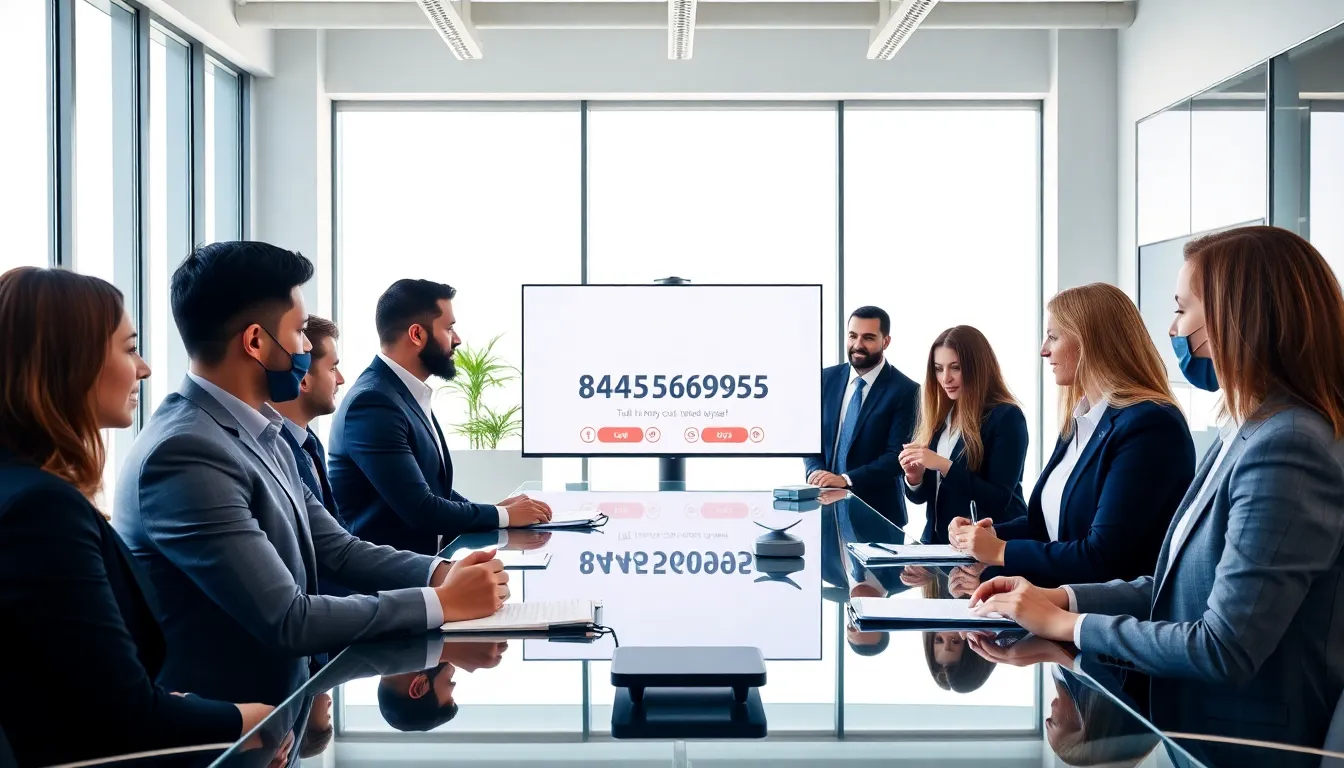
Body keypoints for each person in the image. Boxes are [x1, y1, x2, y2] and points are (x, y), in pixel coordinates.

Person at [970, 226, 1344, 763]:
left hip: (1242, 745)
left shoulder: (1286, 444)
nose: (1172, 328)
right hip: (1193, 728)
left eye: (1182, 309)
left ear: (1234, 319)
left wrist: (1069, 626)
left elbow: (1224, 646)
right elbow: (1176, 591)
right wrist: (1065, 599)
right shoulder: (1244, 432)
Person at [114, 242, 510, 706]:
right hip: (231, 731)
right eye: (300, 332)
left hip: (277, 715)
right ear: (256, 342)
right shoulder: (185, 453)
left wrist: (443, 572)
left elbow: (336, 550)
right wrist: (442, 603)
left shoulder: (262, 432)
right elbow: (287, 618)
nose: (306, 348)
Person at [0, 267, 273, 767]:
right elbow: (123, 717)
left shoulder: (27, 492)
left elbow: (71, 684)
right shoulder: (42, 510)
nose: (144, 368)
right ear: (70, 362)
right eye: (129, 348)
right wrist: (255, 721)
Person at [950, 283, 1195, 587]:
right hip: (1056, 608)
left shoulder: (1150, 426)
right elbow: (1053, 528)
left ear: (1090, 342)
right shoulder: (1081, 420)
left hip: (1104, 622)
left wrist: (1000, 552)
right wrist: (991, 535)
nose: (1044, 350)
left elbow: (1102, 557)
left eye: (1053, 336)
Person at [329, 279, 551, 556]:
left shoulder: (403, 393)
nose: (457, 339)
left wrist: (499, 511)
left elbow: (434, 491)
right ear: (417, 335)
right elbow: (420, 509)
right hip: (387, 585)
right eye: (449, 328)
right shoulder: (373, 403)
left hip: (422, 568)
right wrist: (501, 516)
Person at [898, 325, 1029, 545]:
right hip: (940, 546)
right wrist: (915, 478)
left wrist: (943, 465)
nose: (945, 378)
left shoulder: (1006, 417)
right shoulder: (941, 417)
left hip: (987, 546)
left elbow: (998, 499)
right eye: (939, 369)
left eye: (955, 368)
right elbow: (925, 498)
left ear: (977, 368)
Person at [805, 306, 920, 526]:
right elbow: (811, 436)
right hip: (824, 510)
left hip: (879, 516)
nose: (858, 345)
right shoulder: (825, 379)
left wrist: (845, 480)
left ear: (885, 342)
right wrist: (815, 471)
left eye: (868, 338)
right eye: (853, 336)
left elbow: (896, 456)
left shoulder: (906, 391)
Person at [271, 314, 345, 529]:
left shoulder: (309, 442)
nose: (340, 379)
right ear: (304, 379)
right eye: (332, 368)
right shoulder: (274, 449)